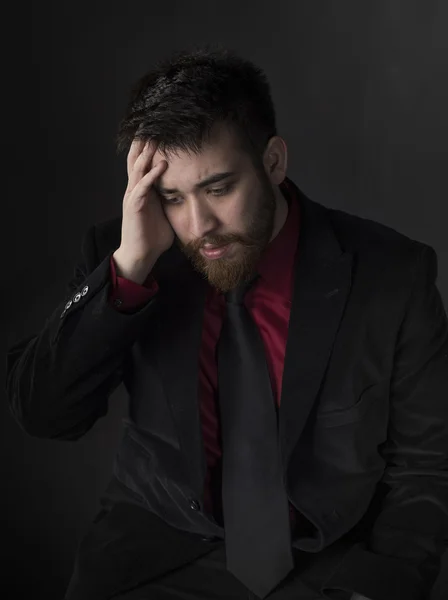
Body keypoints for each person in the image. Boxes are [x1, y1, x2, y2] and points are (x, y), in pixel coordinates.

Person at [6, 44, 448, 600]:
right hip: (155, 561)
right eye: (172, 197)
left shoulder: (393, 275)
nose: (199, 225)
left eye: (218, 188)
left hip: (328, 563)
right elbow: (45, 415)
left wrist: (381, 586)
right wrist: (129, 269)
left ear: (273, 162)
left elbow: (426, 468)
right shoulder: (125, 258)